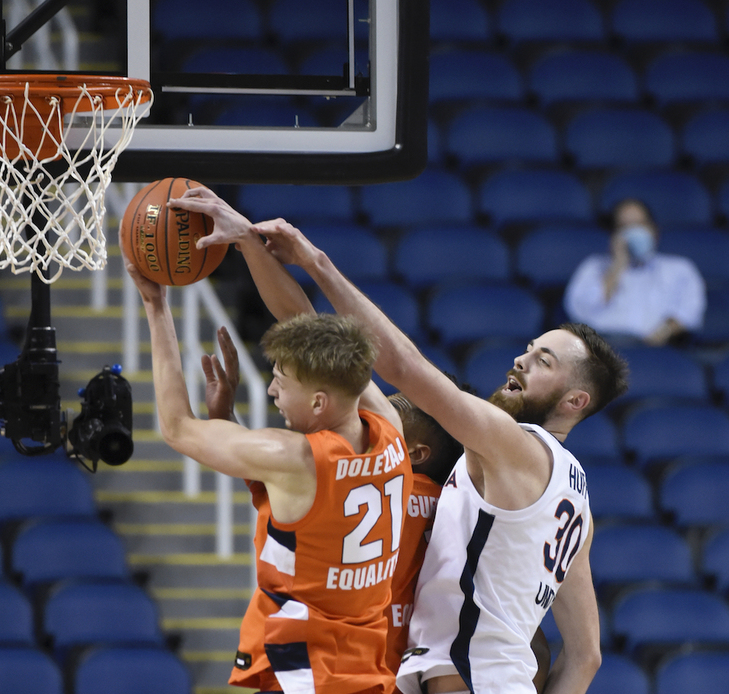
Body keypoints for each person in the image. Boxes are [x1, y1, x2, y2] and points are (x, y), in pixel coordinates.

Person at [175, 188, 629, 694]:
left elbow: (399, 365)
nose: (521, 360)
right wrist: (249, 246)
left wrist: (315, 259)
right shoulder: (578, 507)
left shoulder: (512, 445)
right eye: (528, 348)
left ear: (576, 401)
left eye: (544, 361)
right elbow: (586, 655)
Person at [121, 235, 413, 693]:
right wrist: (225, 417)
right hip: (364, 665)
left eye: (279, 381)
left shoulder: (293, 457)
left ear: (319, 402)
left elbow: (176, 427)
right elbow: (310, 327)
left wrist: (155, 306)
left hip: (306, 667)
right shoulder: (391, 428)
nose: (272, 391)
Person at [564, 197, 707, 346]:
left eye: (640, 224)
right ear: (614, 235)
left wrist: (661, 334)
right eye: (625, 226)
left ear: (654, 230)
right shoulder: (593, 266)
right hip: (603, 352)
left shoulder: (680, 268)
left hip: (657, 350)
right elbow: (581, 310)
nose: (634, 232)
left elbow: (690, 313)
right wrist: (618, 265)